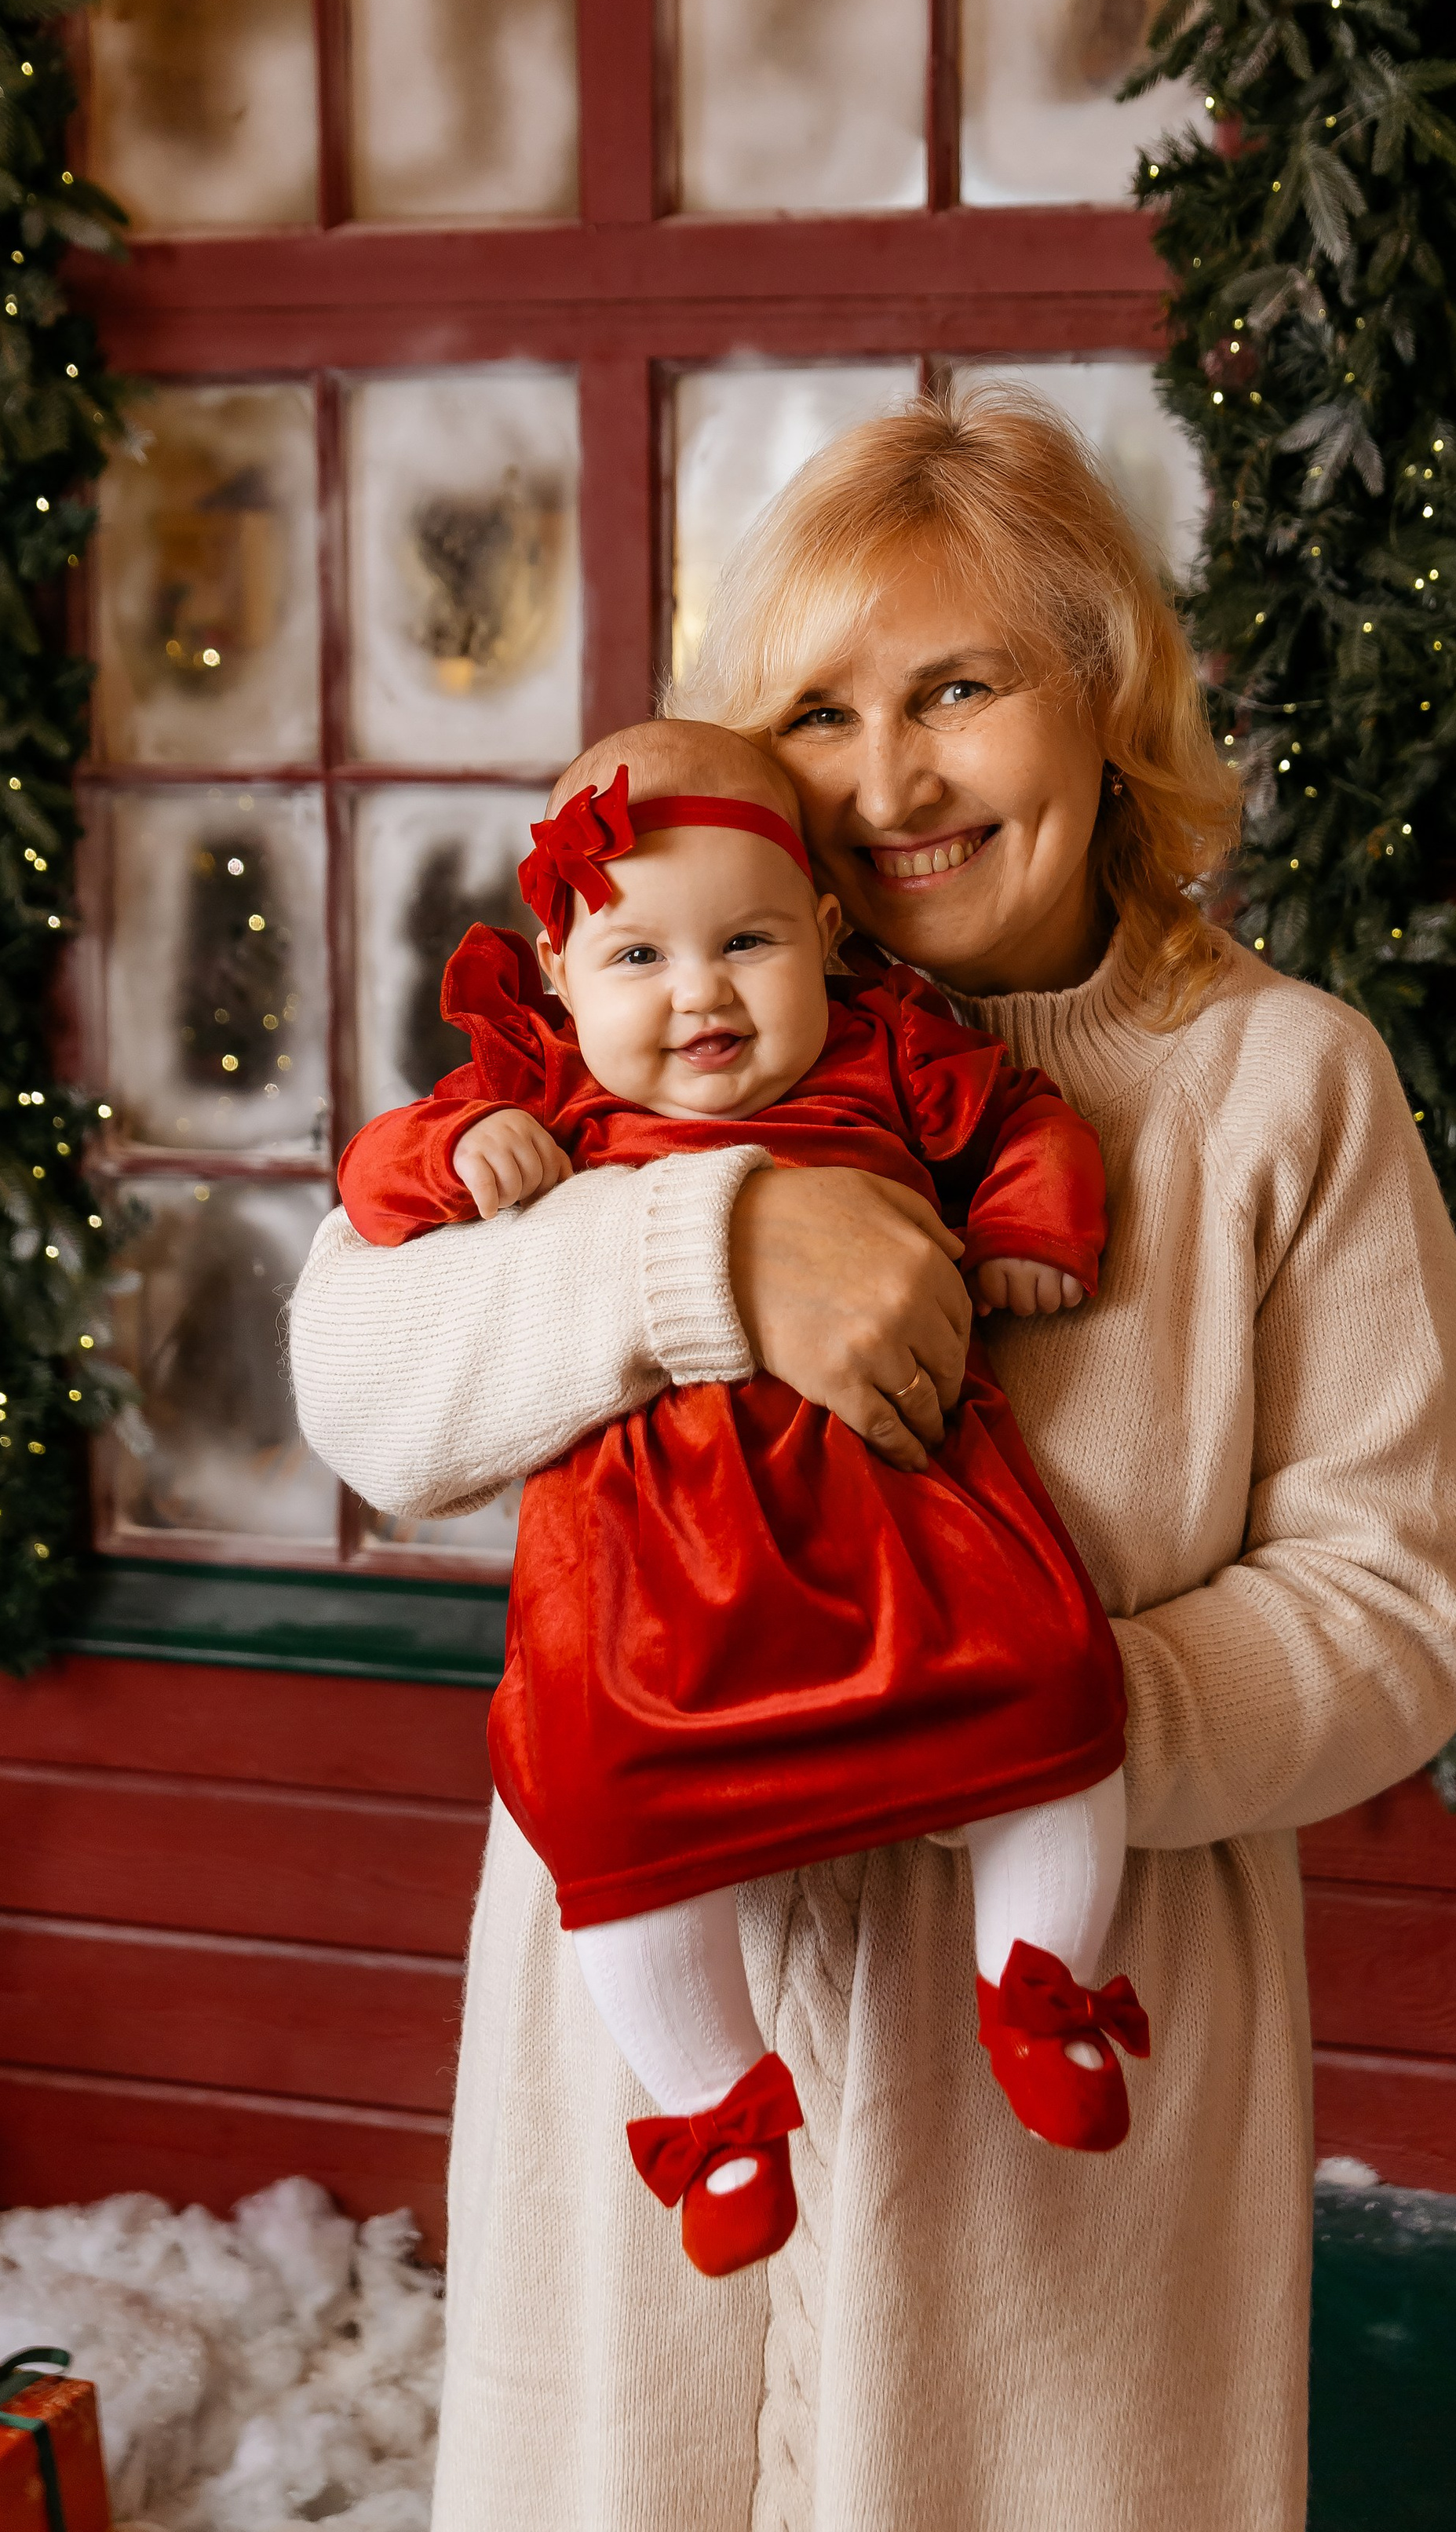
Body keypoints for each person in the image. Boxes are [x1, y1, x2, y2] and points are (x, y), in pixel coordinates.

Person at [289, 389, 1456, 2532]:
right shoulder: (609, 1044)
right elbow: (363, 1390)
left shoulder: (1280, 1088)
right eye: (818, 715)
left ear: (1106, 699)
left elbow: (1390, 1612)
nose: (888, 785)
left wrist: (992, 1720)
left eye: (959, 690)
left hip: (1052, 2152)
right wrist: (701, 1249)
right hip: (645, 2107)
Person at [334, 717, 1140, 2279]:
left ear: (827, 936)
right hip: (647, 1573)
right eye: (638, 955)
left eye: (746, 943)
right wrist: (466, 1145)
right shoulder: (544, 1091)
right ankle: (716, 2107)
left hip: (904, 1512)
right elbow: (378, 1185)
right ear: (558, 975)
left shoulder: (889, 1055)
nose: (699, 992)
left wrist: (1033, 1225)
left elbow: (1028, 1121)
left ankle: (1041, 1985)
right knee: (596, 1799)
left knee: (1050, 1688)